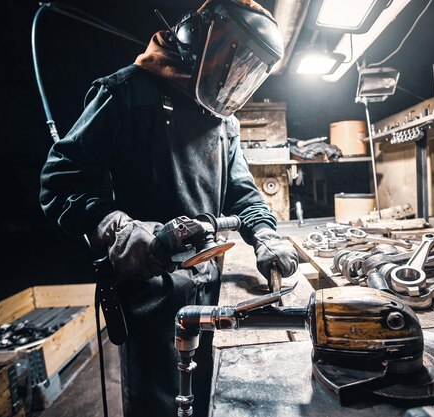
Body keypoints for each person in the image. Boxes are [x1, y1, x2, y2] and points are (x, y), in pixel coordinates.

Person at [38, 1, 299, 416]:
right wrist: (116, 226)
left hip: (209, 288)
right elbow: (62, 179)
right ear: (200, 37)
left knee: (207, 398)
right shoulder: (125, 92)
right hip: (151, 294)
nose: (236, 78)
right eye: (238, 59)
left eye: (250, 69)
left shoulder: (221, 119)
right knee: (158, 404)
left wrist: (266, 233)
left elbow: (243, 193)